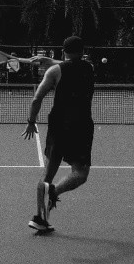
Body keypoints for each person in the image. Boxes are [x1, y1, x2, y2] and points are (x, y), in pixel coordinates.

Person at [22, 35, 95, 232]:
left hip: (59, 127)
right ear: (82, 51)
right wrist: (49, 61)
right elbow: (73, 64)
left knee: (48, 173)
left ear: (63, 51)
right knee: (80, 173)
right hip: (81, 127)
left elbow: (37, 99)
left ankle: (40, 216)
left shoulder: (54, 72)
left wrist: (31, 122)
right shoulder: (89, 68)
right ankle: (54, 193)